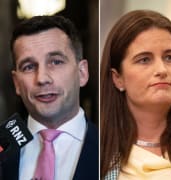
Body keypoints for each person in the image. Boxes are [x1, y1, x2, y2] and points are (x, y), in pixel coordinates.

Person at [100, 10, 171, 180]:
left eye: (170, 57)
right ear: (118, 78)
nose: (162, 70)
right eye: (144, 59)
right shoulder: (96, 154)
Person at [2, 15, 99, 180]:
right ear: (17, 83)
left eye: (55, 62)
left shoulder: (112, 149)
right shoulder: (3, 144)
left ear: (82, 73)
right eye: (29, 66)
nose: (42, 78)